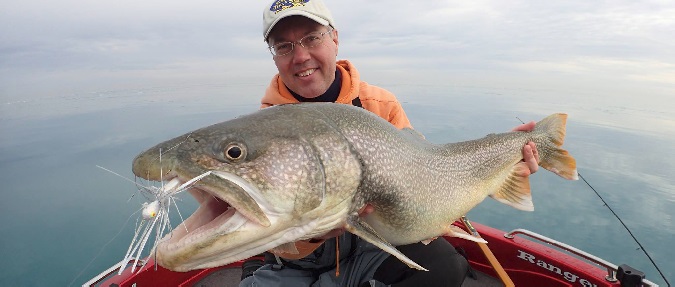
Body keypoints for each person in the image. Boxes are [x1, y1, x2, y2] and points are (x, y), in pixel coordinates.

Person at [240, 1, 540, 286]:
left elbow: (424, 175)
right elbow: (270, 235)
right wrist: (316, 232)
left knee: (445, 265)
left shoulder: (379, 104)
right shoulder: (264, 134)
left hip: (370, 246)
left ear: (334, 38)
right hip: (296, 261)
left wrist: (502, 167)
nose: (301, 55)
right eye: (284, 46)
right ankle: (257, 271)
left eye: (311, 38)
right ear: (275, 55)